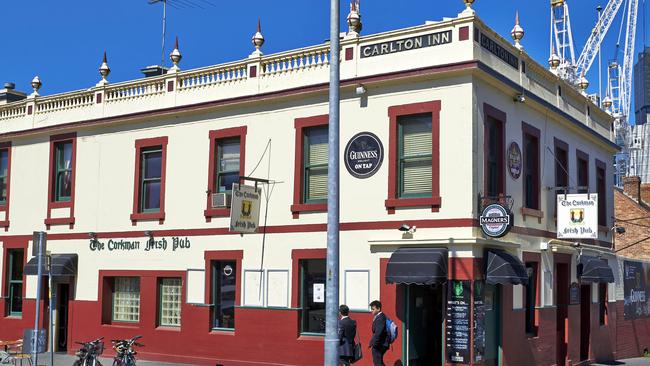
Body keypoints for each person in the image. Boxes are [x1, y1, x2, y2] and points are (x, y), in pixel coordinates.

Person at [368, 300, 389, 366]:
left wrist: (373, 344)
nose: (372, 311)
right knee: (379, 362)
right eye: (371, 309)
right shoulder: (379, 317)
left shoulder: (380, 318)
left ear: (378, 309)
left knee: (377, 362)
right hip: (381, 343)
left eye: (373, 309)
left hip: (380, 344)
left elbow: (378, 332)